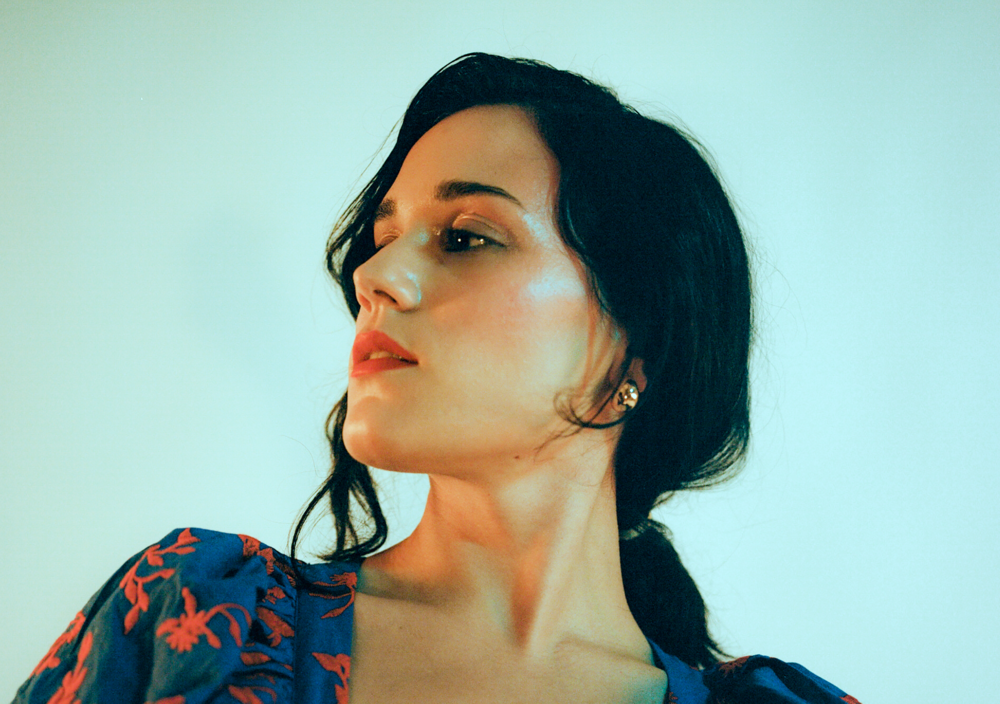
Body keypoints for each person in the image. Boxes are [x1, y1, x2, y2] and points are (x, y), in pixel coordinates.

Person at [13, 53, 862, 704]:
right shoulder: (202, 623)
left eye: (465, 237)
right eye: (385, 235)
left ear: (634, 345)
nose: (374, 275)